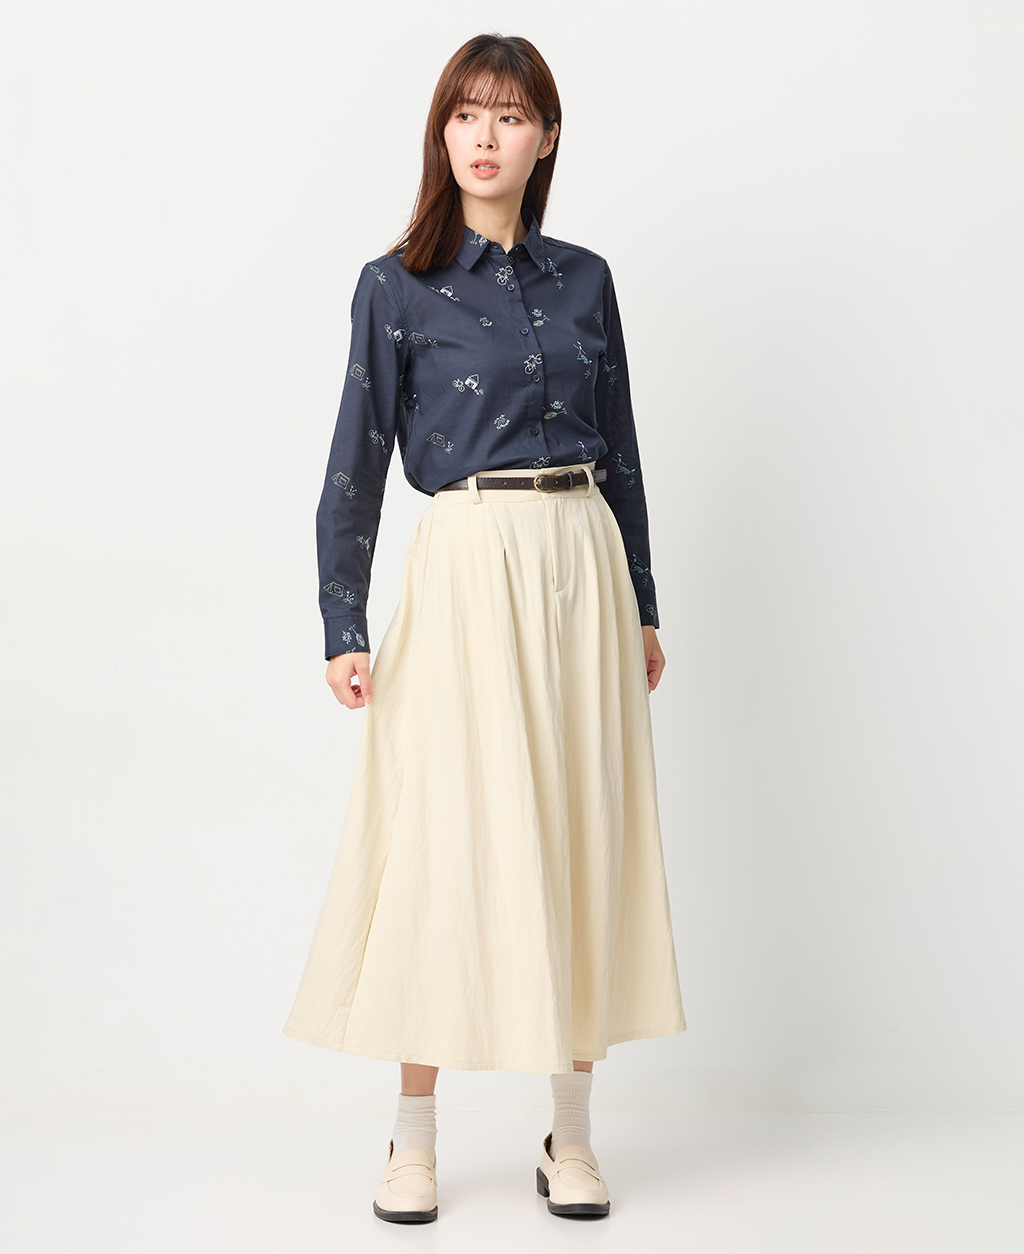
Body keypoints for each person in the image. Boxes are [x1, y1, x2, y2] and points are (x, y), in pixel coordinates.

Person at [281, 32, 687, 1223]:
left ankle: (572, 1135)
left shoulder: (587, 280)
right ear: (442, 131)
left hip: (582, 560)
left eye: (509, 116)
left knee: (581, 826)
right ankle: (413, 1138)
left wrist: (643, 605)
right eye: (465, 113)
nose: (484, 136)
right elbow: (353, 461)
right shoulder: (395, 285)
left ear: (545, 137)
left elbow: (624, 452)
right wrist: (342, 619)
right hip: (466, 562)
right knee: (442, 838)